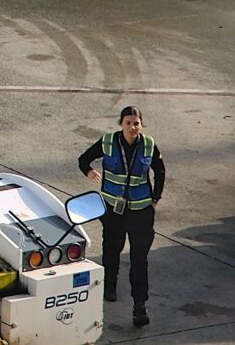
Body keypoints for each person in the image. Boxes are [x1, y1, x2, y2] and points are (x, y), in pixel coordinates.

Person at [78, 105, 166, 328]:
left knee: (139, 259)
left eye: (136, 123)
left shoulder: (148, 145)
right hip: (114, 211)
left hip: (140, 212)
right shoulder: (108, 142)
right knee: (112, 249)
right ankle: (110, 285)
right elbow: (83, 159)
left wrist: (155, 198)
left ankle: (139, 307)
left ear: (141, 125)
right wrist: (89, 172)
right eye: (128, 123)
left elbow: (160, 171)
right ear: (121, 124)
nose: (132, 127)